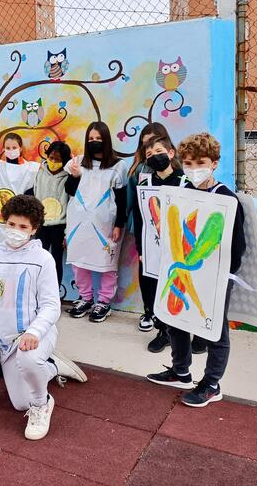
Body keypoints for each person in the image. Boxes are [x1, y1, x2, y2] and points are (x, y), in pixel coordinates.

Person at [147, 132, 246, 408]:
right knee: (176, 319)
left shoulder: (227, 199)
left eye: (200, 162)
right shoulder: (181, 193)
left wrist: (222, 276)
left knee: (215, 330)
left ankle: (212, 384)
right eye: (187, 163)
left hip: (215, 275)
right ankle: (181, 372)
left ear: (214, 163)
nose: (193, 169)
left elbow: (237, 246)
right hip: (182, 270)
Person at [0, 194, 85, 440]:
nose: (16, 231)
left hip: (34, 336)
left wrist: (34, 332)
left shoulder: (43, 259)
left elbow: (51, 305)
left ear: (34, 229)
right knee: (19, 404)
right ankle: (53, 366)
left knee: (28, 363)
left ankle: (42, 404)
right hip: (6, 342)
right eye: (12, 224)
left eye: (23, 227)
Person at [65, 122, 128, 322]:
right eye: (91, 139)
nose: (94, 142)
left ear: (106, 140)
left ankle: (103, 302)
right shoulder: (79, 162)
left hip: (105, 225)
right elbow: (69, 191)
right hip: (78, 223)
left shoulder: (118, 166)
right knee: (79, 262)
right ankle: (85, 298)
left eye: (98, 139)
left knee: (106, 263)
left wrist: (119, 224)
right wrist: (75, 176)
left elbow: (122, 198)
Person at [132, 136, 184, 353]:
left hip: (180, 250)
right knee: (155, 289)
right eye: (149, 155)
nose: (155, 157)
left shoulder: (185, 182)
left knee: (179, 289)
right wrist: (141, 249)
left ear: (171, 153)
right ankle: (163, 331)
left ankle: (187, 333)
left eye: (159, 151)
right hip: (152, 248)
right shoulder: (145, 185)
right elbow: (140, 217)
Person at [126, 122, 174, 331]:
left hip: (171, 235)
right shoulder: (139, 172)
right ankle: (149, 311)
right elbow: (132, 204)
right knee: (147, 272)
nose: (152, 151)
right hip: (145, 233)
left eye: (156, 144)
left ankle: (169, 316)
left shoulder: (178, 173)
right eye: (146, 145)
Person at [0, 133, 40, 246]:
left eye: (14, 148)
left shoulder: (31, 169)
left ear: (20, 148)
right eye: (8, 148)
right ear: (4, 149)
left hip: (19, 220)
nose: (11, 150)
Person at [34, 141, 72, 287]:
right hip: (41, 224)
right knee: (40, 259)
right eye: (51, 157)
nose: (53, 162)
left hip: (59, 226)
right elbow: (36, 193)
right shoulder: (40, 171)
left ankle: (54, 294)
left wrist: (67, 231)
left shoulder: (68, 176)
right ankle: (39, 291)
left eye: (58, 159)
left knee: (56, 260)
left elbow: (71, 203)